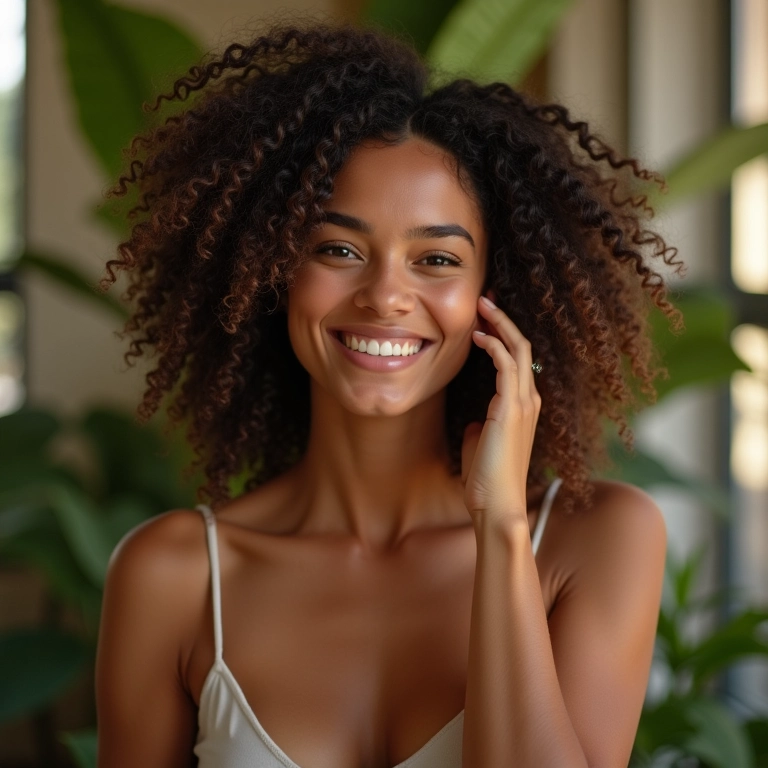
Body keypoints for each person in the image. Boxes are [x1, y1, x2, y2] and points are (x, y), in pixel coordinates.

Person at [94, 16, 677, 768]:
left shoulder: (592, 541)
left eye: (435, 258)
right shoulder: (173, 577)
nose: (385, 296)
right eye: (338, 249)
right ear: (275, 271)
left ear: (489, 295)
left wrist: (499, 529)